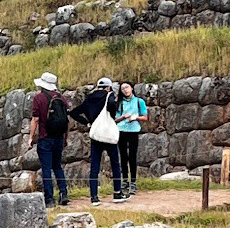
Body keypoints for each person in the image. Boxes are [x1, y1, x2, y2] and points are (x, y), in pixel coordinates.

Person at [70, 76, 124, 204]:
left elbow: (73, 113)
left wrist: (88, 122)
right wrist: (111, 115)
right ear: (108, 87)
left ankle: (94, 197)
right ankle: (117, 193)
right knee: (115, 163)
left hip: (96, 135)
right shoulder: (109, 95)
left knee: (94, 166)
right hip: (108, 134)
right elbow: (111, 104)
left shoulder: (89, 98)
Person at [29, 72, 70, 206]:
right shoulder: (62, 98)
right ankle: (63, 193)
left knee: (46, 169)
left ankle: (49, 199)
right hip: (58, 137)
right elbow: (66, 120)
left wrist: (30, 138)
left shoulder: (39, 98)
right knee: (57, 166)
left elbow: (36, 119)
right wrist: (65, 138)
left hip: (45, 137)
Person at [116, 80, 149, 195]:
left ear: (132, 88)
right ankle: (125, 180)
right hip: (121, 130)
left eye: (127, 87)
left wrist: (135, 117)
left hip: (134, 130)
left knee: (132, 157)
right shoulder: (120, 103)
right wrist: (123, 117)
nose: (125, 90)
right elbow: (116, 117)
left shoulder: (139, 101)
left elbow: (145, 117)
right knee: (123, 156)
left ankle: (133, 182)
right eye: (123, 89)